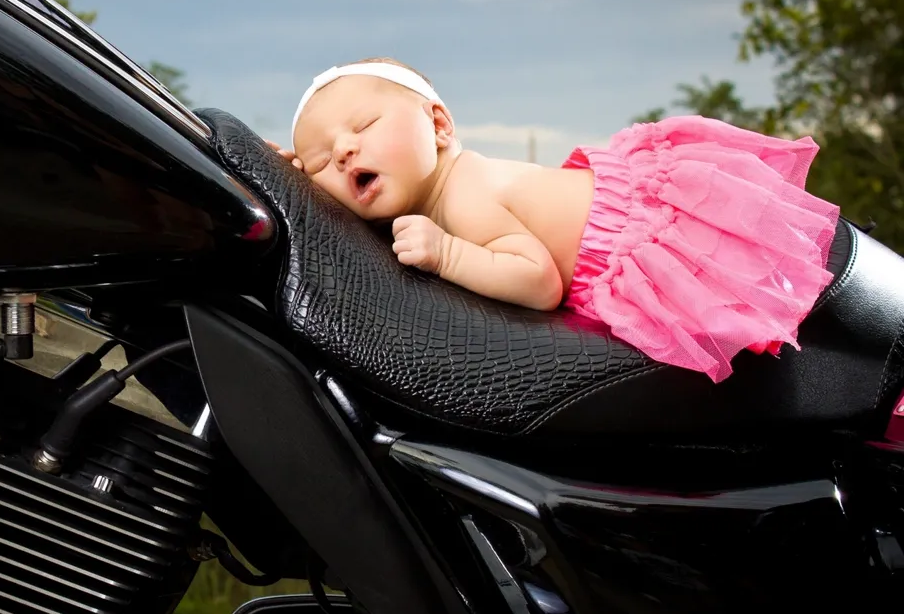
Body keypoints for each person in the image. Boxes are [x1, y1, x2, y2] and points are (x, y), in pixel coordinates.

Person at [268, 58, 841, 383]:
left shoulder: (462, 195)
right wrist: (293, 177)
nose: (342, 152)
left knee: (782, 326)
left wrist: (448, 254)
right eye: (320, 160)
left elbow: (538, 281)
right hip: (626, 232)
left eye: (363, 126)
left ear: (438, 125)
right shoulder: (434, 197)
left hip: (647, 235)